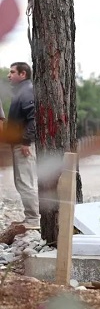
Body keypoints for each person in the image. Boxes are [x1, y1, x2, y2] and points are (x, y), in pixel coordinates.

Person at [6, 62, 40, 228]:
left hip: (24, 145)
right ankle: (30, 218)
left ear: (23, 74)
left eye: (12, 72)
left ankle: (33, 220)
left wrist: (26, 141)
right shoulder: (21, 91)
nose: (9, 75)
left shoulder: (26, 91)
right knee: (22, 182)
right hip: (19, 144)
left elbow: (34, 118)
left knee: (25, 182)